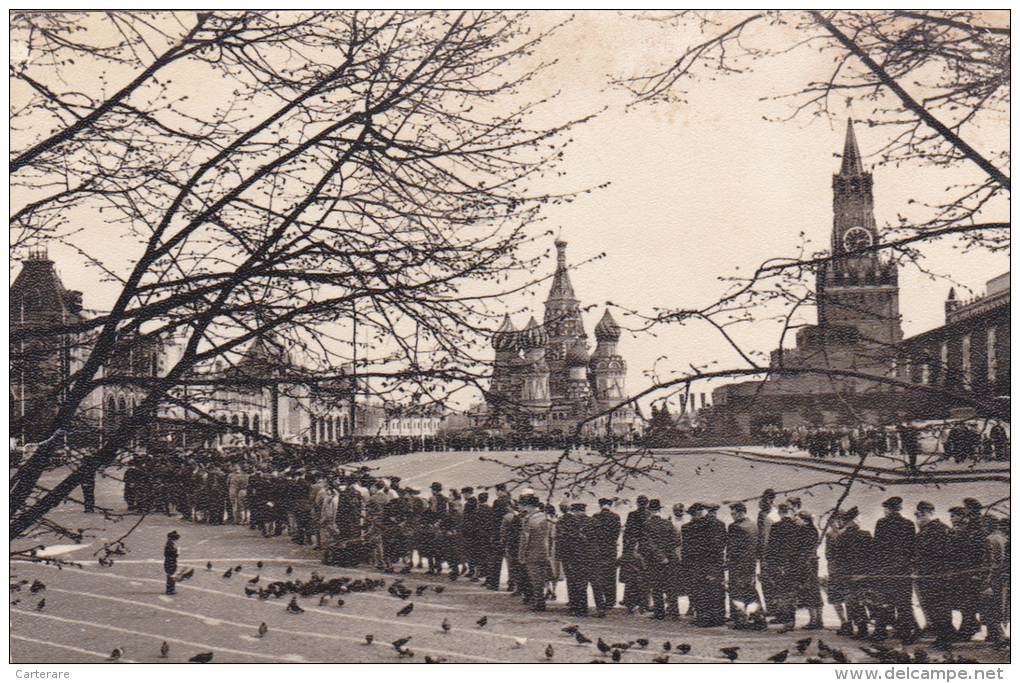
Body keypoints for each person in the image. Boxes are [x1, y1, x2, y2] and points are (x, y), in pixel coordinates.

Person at [873, 496, 917, 642]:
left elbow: (877, 547)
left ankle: (880, 632)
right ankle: (905, 633)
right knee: (904, 602)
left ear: (888, 509)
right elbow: (912, 548)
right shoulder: (909, 524)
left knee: (884, 601)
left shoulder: (881, 523)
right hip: (903, 569)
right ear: (899, 508)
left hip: (885, 569)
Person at [913, 501, 956, 649]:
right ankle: (943, 635)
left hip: (939, 575)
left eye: (924, 513)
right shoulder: (923, 531)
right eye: (919, 514)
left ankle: (945, 639)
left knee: (941, 607)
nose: (921, 517)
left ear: (932, 513)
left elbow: (948, 553)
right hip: (926, 576)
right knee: (932, 607)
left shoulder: (941, 529)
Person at [640, 499, 682, 621]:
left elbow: (648, 543)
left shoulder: (647, 525)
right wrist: (668, 553)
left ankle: (659, 612)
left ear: (649, 511)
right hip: (671, 559)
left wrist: (660, 556)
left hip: (655, 560)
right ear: (659, 510)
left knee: (656, 586)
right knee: (671, 586)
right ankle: (674, 611)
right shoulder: (668, 523)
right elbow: (677, 540)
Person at [726, 502, 760, 628]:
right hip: (750, 563)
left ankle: (740, 620)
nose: (732, 516)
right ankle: (757, 617)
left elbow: (733, 548)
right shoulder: (753, 525)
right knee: (750, 590)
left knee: (737, 592)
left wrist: (727, 560)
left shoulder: (735, 527)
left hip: (738, 563)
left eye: (733, 513)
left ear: (740, 513)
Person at [517, 494, 553, 612]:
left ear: (528, 506)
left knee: (535, 579)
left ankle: (539, 602)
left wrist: (522, 554)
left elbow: (525, 539)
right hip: (545, 552)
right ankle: (539, 600)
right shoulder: (546, 517)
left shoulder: (529, 519)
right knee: (541, 578)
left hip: (532, 552)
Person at [164, 530, 180, 595]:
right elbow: (171, 553)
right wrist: (176, 553)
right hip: (170, 561)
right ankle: (170, 590)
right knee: (171, 575)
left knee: (170, 575)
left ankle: (170, 589)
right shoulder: (170, 545)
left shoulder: (169, 544)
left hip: (169, 561)